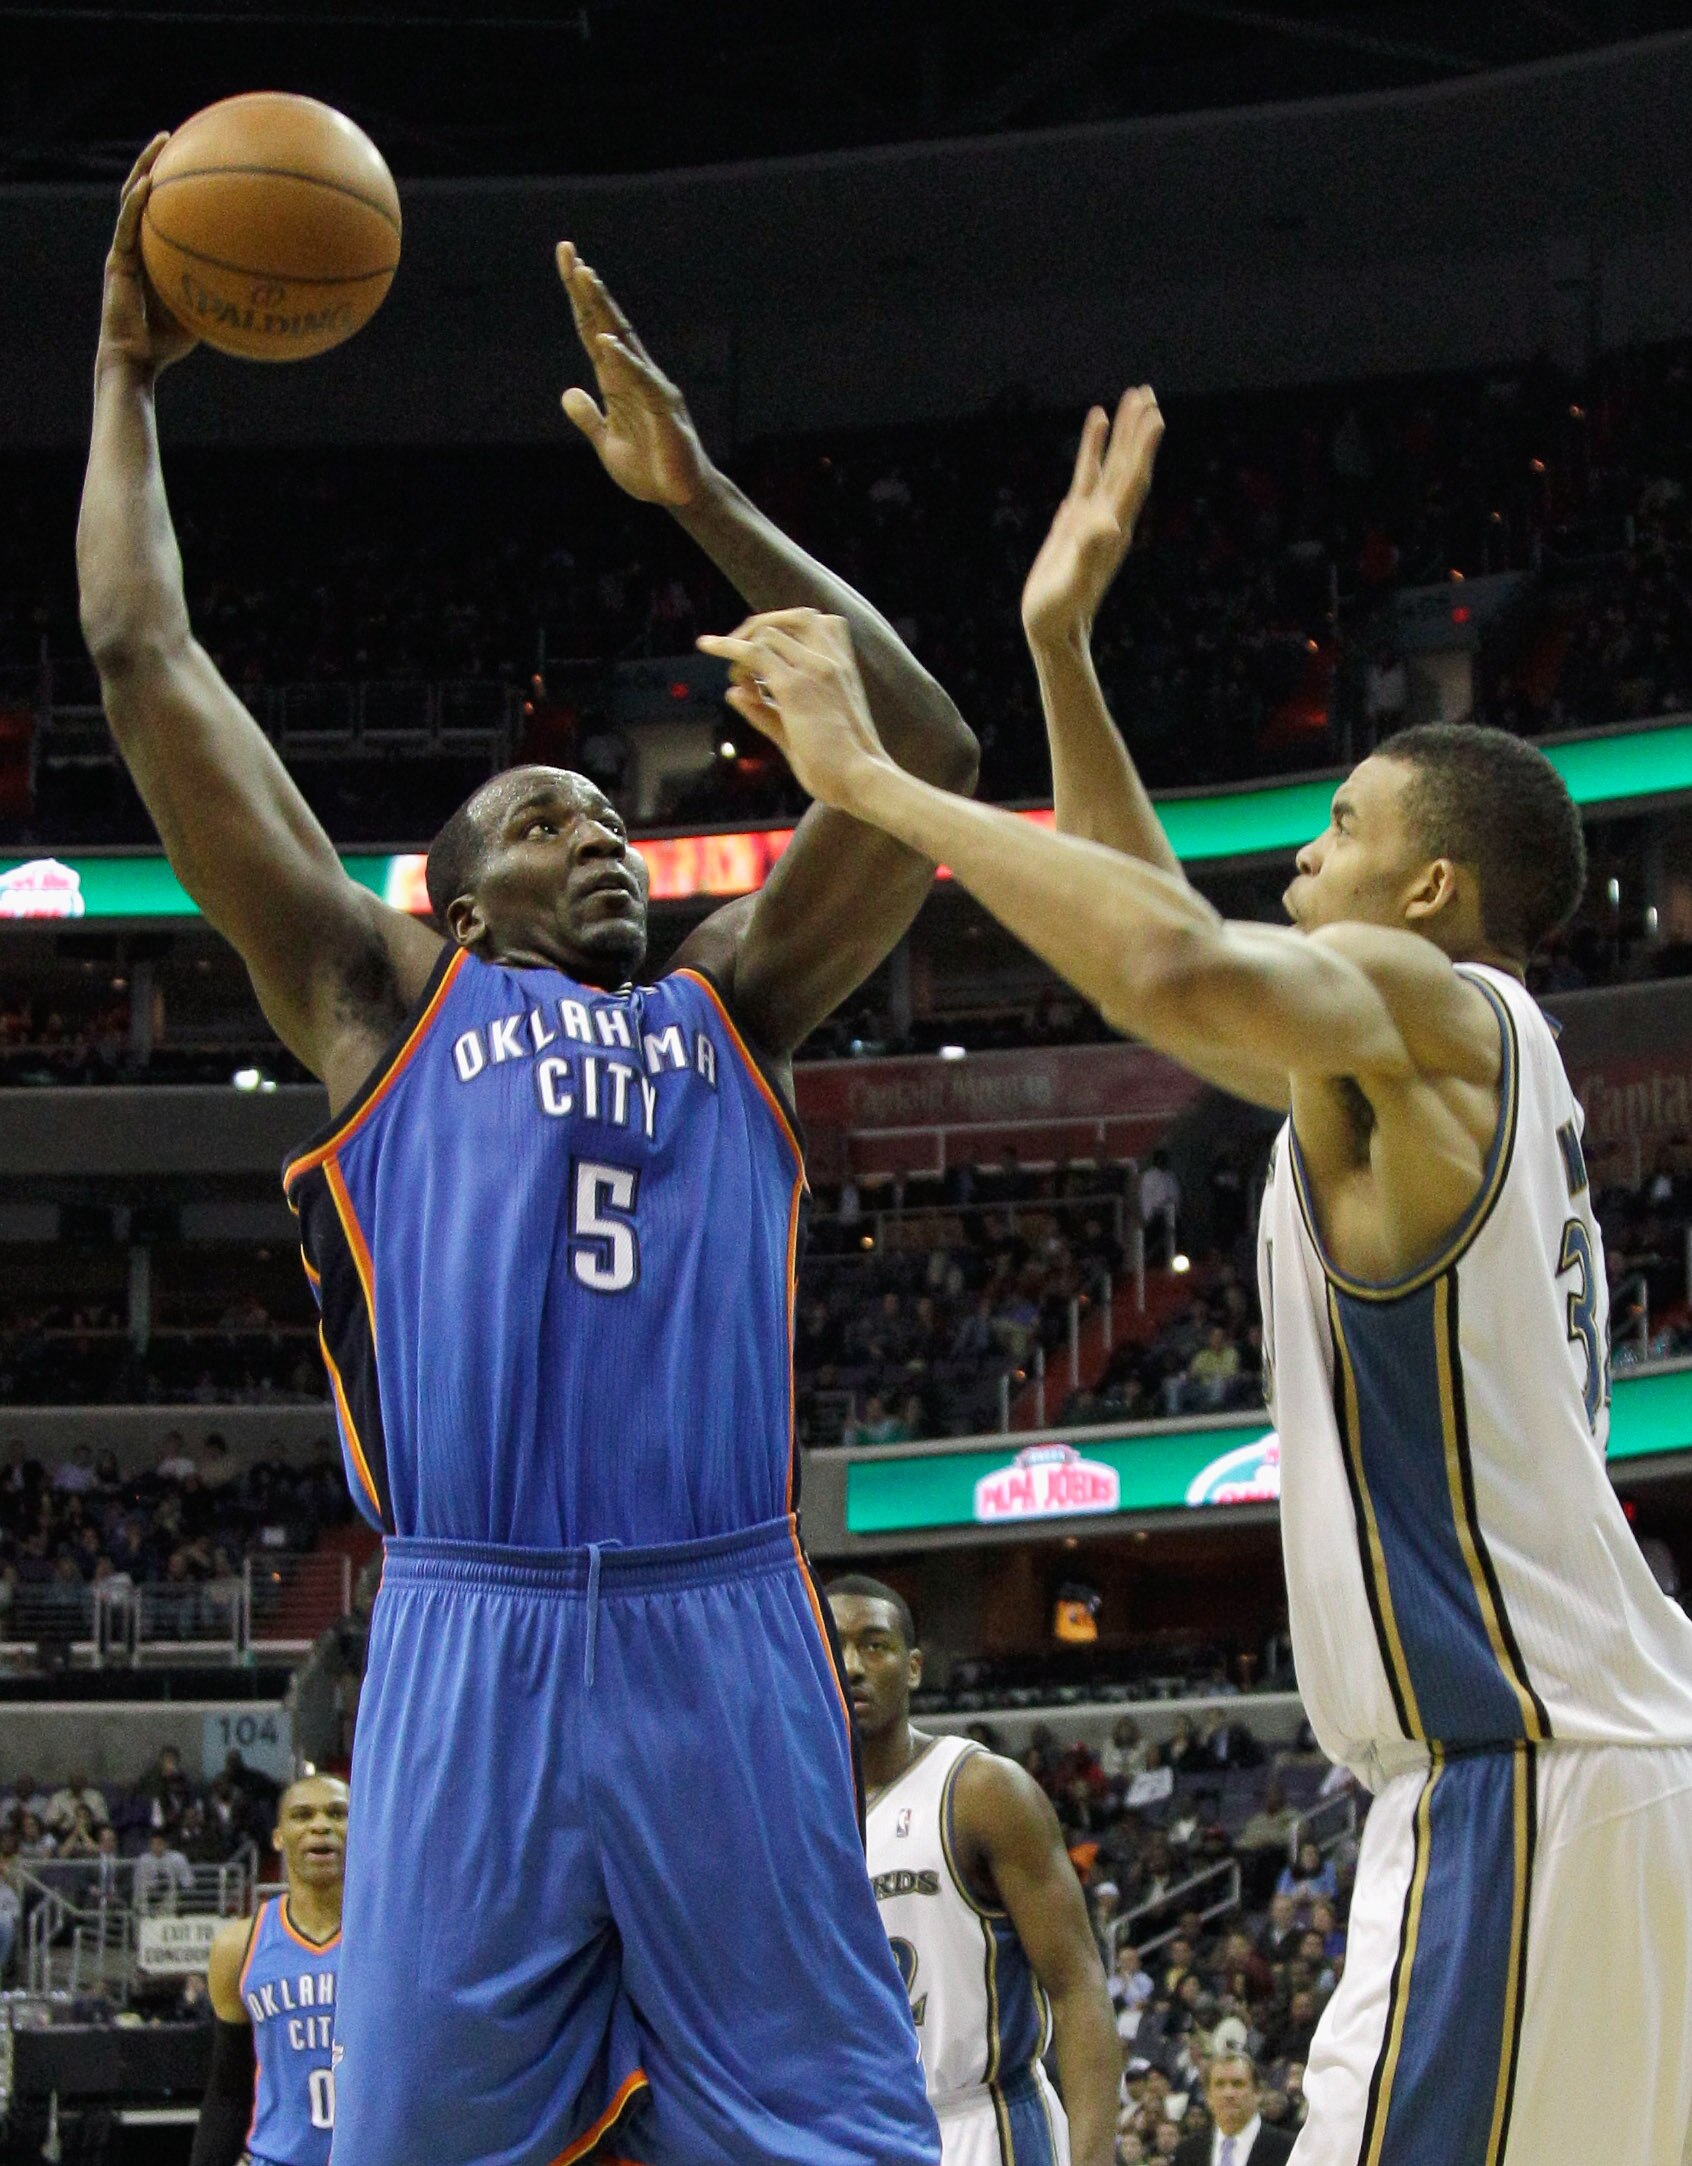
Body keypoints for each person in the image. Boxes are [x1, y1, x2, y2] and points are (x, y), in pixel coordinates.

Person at [81, 145, 976, 2166]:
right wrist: (128, 374)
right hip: (468, 1632)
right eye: (553, 816)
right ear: (457, 893)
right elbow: (149, 666)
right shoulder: (379, 1002)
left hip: (730, 1623)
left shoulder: (730, 1002)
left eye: (617, 816)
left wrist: (703, 501)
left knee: (845, 2141)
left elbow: (929, 756)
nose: (606, 837)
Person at [704, 384, 1692, 2166]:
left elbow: (1163, 965)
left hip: (1520, 1783)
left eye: (1341, 819)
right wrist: (1059, 647)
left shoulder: (1442, 1012)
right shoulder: (1421, 1060)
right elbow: (1146, 933)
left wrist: (874, 788)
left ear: (1432, 884)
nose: (1306, 841)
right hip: (1578, 1770)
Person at [828, 1575, 1119, 2166]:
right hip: (859, 2133)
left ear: (912, 1668)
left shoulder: (982, 1790)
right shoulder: (795, 1813)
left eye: (874, 1645)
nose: (852, 1665)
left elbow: (1079, 1988)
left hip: (985, 2126)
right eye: (834, 1647)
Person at [192, 1775, 348, 2166]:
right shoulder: (238, 1947)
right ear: (278, 1837)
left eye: (337, 1813)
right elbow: (228, 2090)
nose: (320, 1825)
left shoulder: (393, 1939)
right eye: (302, 1815)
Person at [1171, 2054, 1293, 2165]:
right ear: (1208, 2096)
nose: (1228, 2093)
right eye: (1219, 2084)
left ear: (1257, 2093)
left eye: (1237, 2084)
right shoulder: (1188, 2152)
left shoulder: (1289, 2148)